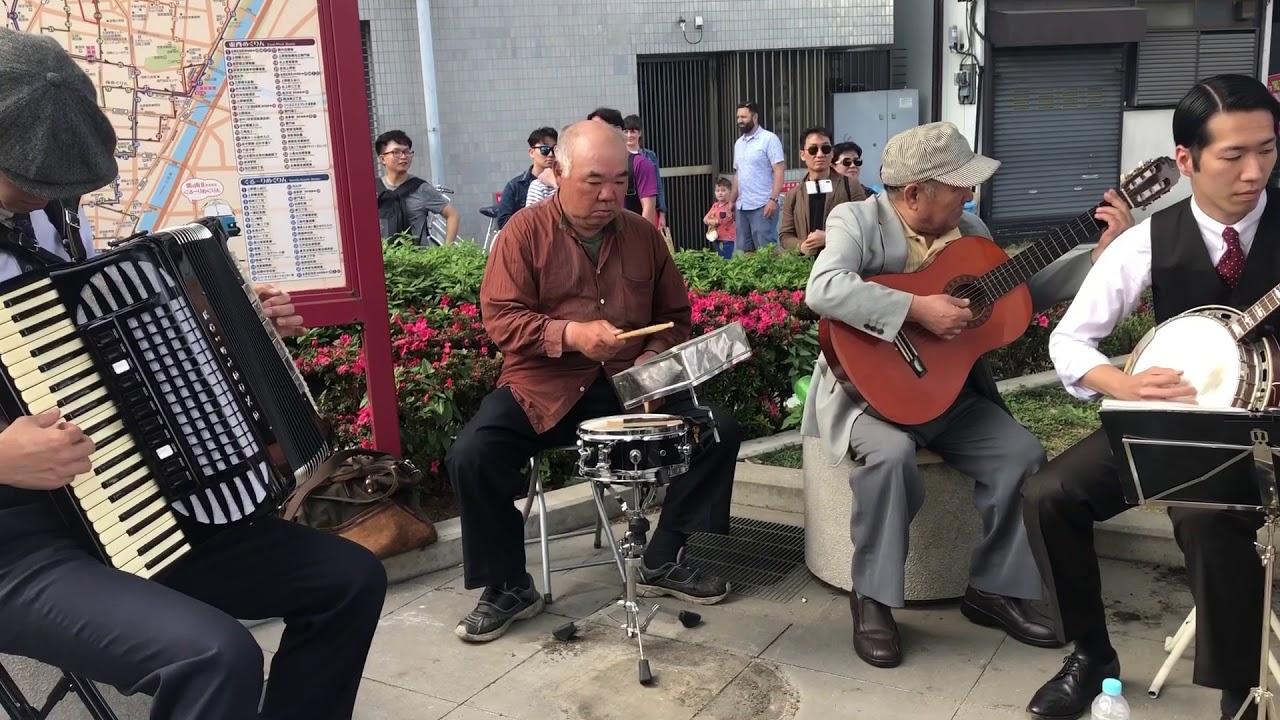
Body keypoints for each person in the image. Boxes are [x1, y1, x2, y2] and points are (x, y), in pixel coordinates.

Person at [0, 27, 386, 719]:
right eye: (25, 177)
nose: (43, 194)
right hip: (17, 544)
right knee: (214, 654)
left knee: (348, 579)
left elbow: (100, 352)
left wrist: (225, 323)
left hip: (125, 500)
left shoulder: (56, 221)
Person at [799, 120, 1134, 669]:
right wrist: (915, 307)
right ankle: (875, 599)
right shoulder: (855, 219)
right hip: (867, 394)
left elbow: (1021, 291)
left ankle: (993, 590)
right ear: (914, 193)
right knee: (891, 457)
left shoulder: (971, 228)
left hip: (949, 394)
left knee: (1022, 456)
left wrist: (1096, 261)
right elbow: (823, 288)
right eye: (960, 185)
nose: (971, 195)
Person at [1022, 73, 1280, 720]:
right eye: (1234, 155)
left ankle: (1240, 694)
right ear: (1187, 161)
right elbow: (1072, 342)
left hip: (1269, 430)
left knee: (1207, 514)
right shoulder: (1146, 240)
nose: (1255, 171)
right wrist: (1125, 384)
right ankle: (1090, 654)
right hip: (1180, 422)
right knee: (1048, 496)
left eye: (1269, 149)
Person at [445, 120, 740, 642]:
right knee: (472, 454)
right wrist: (572, 334)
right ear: (558, 172)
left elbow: (674, 317)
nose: (609, 195)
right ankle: (508, 584)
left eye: (620, 182)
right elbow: (501, 320)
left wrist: (650, 362)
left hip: (627, 387)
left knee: (717, 429)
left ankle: (661, 556)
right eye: (593, 181)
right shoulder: (522, 232)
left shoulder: (643, 235)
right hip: (542, 388)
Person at [779, 126, 866, 257]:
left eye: (825, 149)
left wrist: (829, 237)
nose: (820, 154)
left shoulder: (850, 185)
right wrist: (802, 246)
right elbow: (785, 235)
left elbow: (865, 226)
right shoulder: (794, 195)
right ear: (803, 155)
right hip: (806, 267)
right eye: (813, 149)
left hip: (842, 260)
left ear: (831, 153)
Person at [373, 129, 458, 245]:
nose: (403, 157)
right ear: (382, 159)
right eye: (396, 152)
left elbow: (452, 215)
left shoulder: (421, 188)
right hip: (383, 259)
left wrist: (447, 250)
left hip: (417, 259)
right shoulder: (374, 189)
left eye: (407, 151)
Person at [586, 108, 659, 225]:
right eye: (590, 129)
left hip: (628, 236)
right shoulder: (587, 165)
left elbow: (648, 208)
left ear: (618, 131)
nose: (594, 134)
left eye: (599, 128)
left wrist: (640, 240)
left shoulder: (640, 164)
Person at [731, 102, 785, 253]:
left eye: (743, 117)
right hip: (742, 206)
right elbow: (738, 174)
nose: (740, 121)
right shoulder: (738, 143)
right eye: (738, 117)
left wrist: (773, 200)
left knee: (767, 251)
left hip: (763, 205)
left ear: (755, 117)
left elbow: (779, 171)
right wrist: (732, 201)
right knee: (746, 251)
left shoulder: (769, 139)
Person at [495, 126, 558, 230]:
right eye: (545, 149)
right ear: (531, 152)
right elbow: (503, 222)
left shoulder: (564, 180)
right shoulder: (515, 186)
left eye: (555, 149)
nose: (551, 154)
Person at [703, 176, 737, 259]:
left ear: (730, 192)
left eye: (723, 190)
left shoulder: (731, 206)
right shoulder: (715, 206)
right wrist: (710, 221)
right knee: (719, 259)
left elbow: (734, 218)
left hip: (728, 239)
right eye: (717, 191)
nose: (720, 193)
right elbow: (705, 218)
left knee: (727, 260)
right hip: (716, 238)